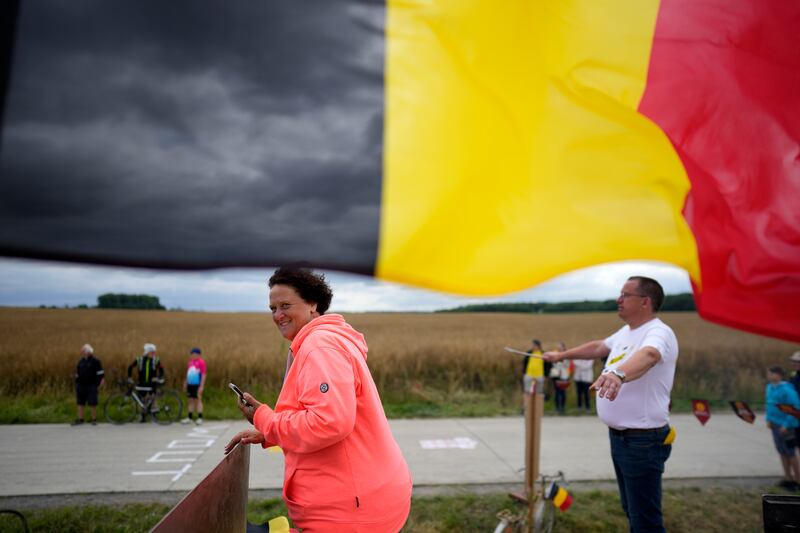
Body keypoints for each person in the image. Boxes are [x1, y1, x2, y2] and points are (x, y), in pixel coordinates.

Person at [225, 267, 412, 532]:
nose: (278, 315)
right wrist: (269, 433)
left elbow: (329, 422)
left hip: (350, 510)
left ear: (312, 303)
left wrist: (264, 418)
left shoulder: (320, 347)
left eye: (285, 305)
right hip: (363, 496)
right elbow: (327, 416)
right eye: (272, 308)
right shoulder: (324, 340)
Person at [542, 276, 678, 533]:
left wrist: (618, 374)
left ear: (645, 301)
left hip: (642, 440)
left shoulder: (658, 332)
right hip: (621, 438)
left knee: (645, 521)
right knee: (632, 509)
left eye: (625, 295)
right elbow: (598, 347)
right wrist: (562, 355)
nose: (619, 299)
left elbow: (649, 355)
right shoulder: (627, 332)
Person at [765, 366, 800, 490]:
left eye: (770, 374)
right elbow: (769, 404)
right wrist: (768, 419)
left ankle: (797, 480)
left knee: (790, 453)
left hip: (786, 425)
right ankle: (787, 477)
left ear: (778, 375)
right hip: (774, 424)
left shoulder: (787, 389)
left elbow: (795, 408)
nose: (768, 376)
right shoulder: (769, 387)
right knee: (781, 451)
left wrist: (787, 424)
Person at [128, 343, 165, 421]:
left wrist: (159, 378)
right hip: (141, 382)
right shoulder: (139, 359)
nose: (154, 354)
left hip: (152, 383)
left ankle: (154, 416)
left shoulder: (156, 360)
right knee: (142, 399)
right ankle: (143, 416)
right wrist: (130, 377)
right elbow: (130, 367)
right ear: (147, 352)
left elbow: (162, 369)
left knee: (153, 398)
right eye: (152, 352)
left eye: (154, 352)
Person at [73, 344, 104, 425]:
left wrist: (98, 384)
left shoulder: (96, 361)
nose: (82, 352)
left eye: (84, 350)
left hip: (91, 385)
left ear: (89, 351)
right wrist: (76, 380)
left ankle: (94, 419)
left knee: (93, 403)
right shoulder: (81, 361)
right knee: (80, 403)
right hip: (80, 385)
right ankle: (81, 419)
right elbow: (77, 372)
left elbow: (101, 374)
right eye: (82, 350)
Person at [181, 347, 206, 425]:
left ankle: (200, 417)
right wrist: (185, 383)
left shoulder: (201, 362)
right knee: (190, 400)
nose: (193, 355)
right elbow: (188, 374)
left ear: (198, 354)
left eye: (194, 354)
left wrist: (201, 386)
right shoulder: (190, 362)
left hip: (197, 384)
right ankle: (189, 417)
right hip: (190, 384)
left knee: (198, 400)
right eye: (192, 354)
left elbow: (203, 374)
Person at [550, 342, 572, 415]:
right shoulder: (555, 354)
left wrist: (560, 360)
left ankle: (562, 407)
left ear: (563, 348)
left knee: (562, 392)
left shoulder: (566, 355)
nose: (559, 349)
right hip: (556, 375)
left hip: (563, 375)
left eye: (560, 347)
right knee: (557, 392)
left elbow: (566, 365)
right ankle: (557, 407)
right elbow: (553, 363)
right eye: (558, 347)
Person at [790, 352, 800, 451]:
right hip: (795, 414)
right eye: (793, 361)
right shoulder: (793, 375)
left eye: (797, 361)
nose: (795, 363)